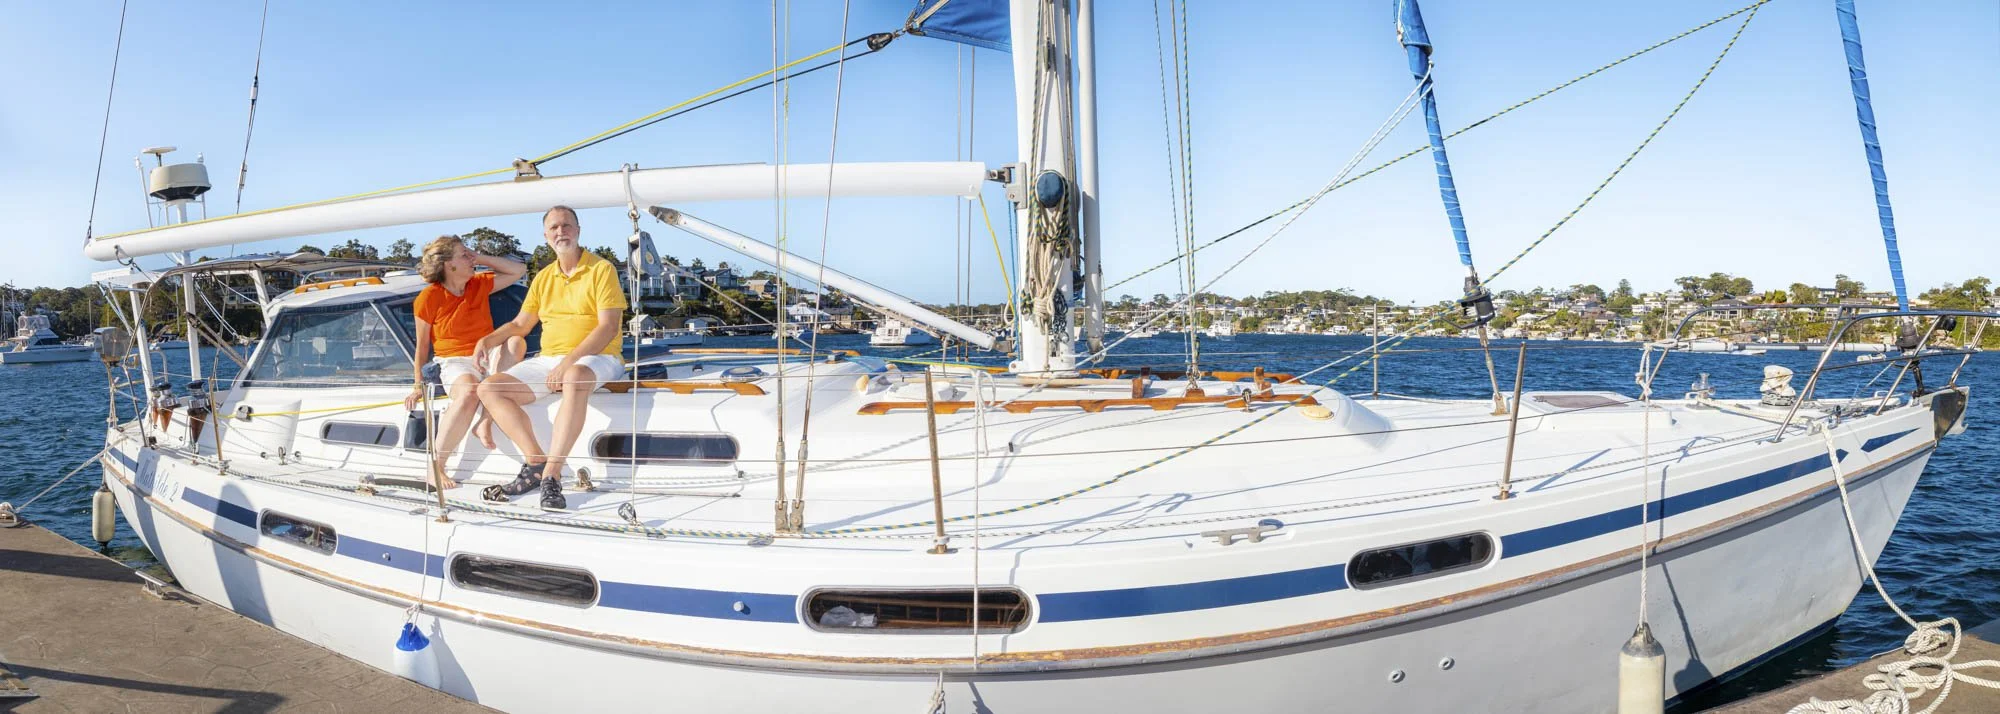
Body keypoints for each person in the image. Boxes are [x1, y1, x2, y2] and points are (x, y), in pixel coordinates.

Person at [474, 205, 628, 509]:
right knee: (489, 388)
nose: (561, 232)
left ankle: (552, 476)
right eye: (555, 228)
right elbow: (521, 324)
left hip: (600, 356)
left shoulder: (601, 269)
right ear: (546, 236)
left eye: (567, 226)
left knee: (573, 377)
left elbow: (608, 327)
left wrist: (567, 363)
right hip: (551, 357)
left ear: (578, 230)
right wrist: (487, 340)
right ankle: (534, 463)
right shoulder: (543, 277)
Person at [406, 235, 527, 488]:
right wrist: (418, 386)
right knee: (470, 391)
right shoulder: (428, 298)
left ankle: (486, 420)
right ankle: (436, 466)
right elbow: (422, 347)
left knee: (516, 342)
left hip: (487, 353)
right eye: (464, 255)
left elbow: (519, 269)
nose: (471, 259)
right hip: (454, 361)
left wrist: (479, 257)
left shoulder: (478, 284)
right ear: (449, 265)